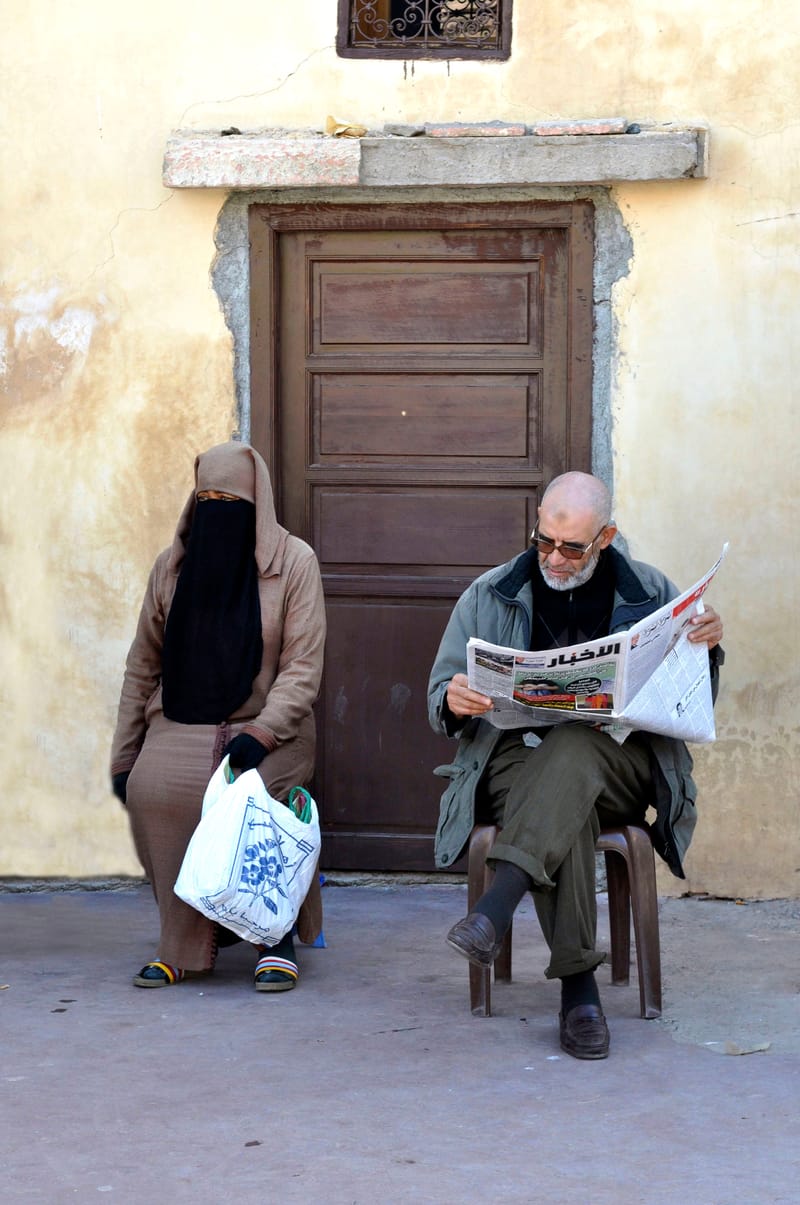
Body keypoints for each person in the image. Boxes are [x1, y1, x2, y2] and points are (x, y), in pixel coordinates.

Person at [427, 472, 724, 1059]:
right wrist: (454, 700)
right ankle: (579, 992)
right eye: (544, 542)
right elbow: (439, 694)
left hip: (621, 762)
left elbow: (694, 700)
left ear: (605, 537)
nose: (554, 558)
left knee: (577, 746)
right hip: (515, 761)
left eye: (571, 547)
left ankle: (500, 901)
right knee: (564, 793)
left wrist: (707, 648)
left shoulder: (652, 592)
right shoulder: (490, 593)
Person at [110, 441, 326, 991]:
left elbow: (302, 667)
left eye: (228, 499)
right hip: (181, 721)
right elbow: (143, 666)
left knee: (244, 799)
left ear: (256, 506)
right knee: (154, 789)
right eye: (205, 497)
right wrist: (124, 756)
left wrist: (262, 732)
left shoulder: (293, 563)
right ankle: (178, 945)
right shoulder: (171, 569)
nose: (216, 508)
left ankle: (270, 939)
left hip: (271, 729)